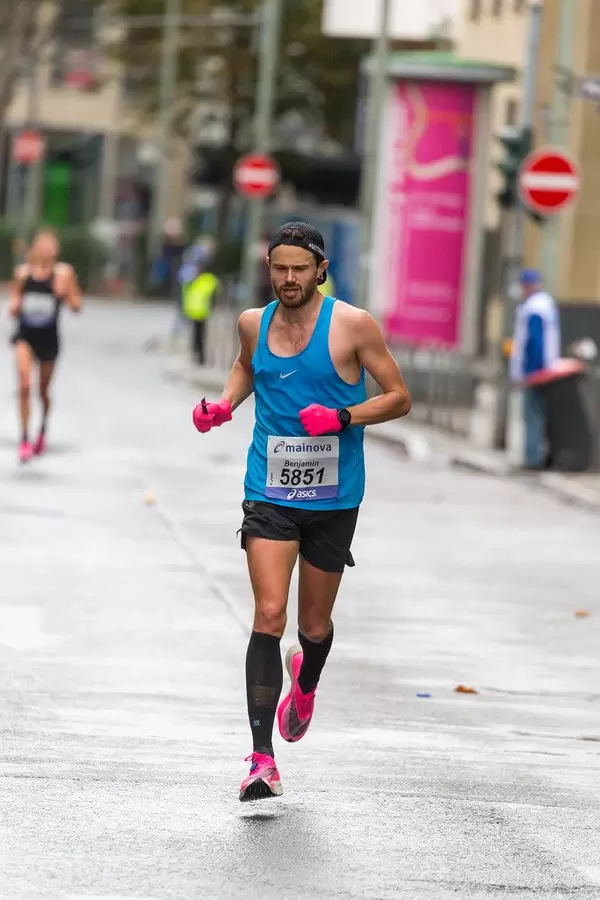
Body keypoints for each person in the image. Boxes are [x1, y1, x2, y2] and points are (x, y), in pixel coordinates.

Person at [191, 222, 411, 801]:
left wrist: (342, 417)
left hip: (334, 499)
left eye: (300, 269)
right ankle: (261, 759)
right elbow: (247, 365)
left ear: (320, 270)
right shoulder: (252, 322)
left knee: (313, 627)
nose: (289, 279)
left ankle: (306, 680)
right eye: (280, 268)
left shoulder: (353, 325)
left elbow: (399, 397)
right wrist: (224, 404)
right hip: (270, 490)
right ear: (269, 268)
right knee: (269, 613)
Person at [9, 228, 82, 463]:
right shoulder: (23, 273)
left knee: (42, 392)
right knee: (24, 385)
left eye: (51, 245)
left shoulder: (64, 274)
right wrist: (16, 305)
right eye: (43, 244)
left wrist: (64, 294)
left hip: (48, 338)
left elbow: (77, 306)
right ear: (35, 247)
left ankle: (42, 429)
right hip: (25, 335)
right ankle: (24, 438)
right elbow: (14, 305)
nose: (47, 249)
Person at [509, 268, 561, 470]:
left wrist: (530, 373)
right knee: (538, 414)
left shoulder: (534, 309)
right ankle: (536, 456)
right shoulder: (545, 305)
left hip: (536, 372)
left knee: (532, 415)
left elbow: (534, 343)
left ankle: (533, 458)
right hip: (544, 370)